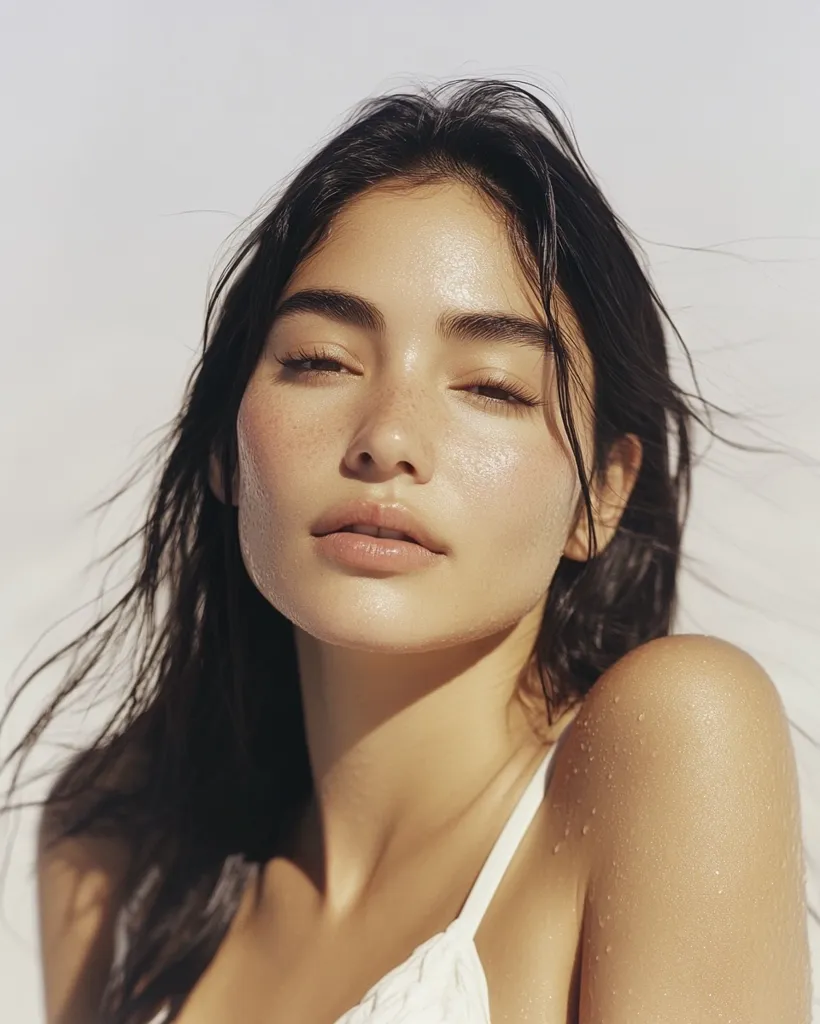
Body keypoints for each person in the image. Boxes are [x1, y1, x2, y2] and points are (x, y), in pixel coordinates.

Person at [1, 78, 811, 1024]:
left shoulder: (670, 742)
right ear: (225, 443)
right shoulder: (116, 854)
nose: (387, 437)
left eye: (493, 388)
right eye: (321, 361)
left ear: (606, 494)